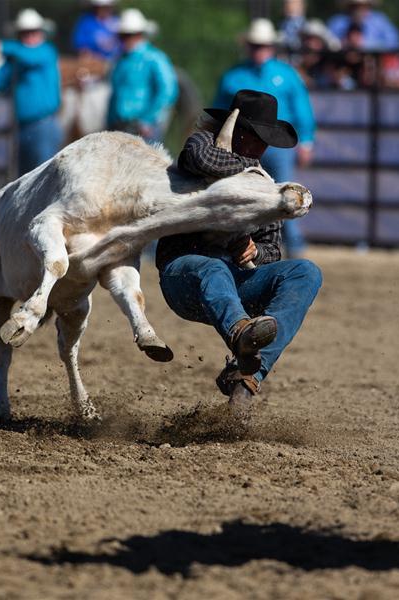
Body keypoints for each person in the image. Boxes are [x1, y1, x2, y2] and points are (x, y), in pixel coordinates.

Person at [156, 90, 322, 415]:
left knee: (306, 272)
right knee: (213, 266)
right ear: (235, 129)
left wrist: (253, 251)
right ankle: (241, 333)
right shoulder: (201, 144)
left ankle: (247, 375)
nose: (261, 147)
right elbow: (202, 159)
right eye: (256, 136)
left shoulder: (262, 183)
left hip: (234, 280)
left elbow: (272, 248)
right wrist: (252, 174)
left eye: (265, 140)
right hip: (184, 275)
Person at [213, 19, 315, 259]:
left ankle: (294, 247)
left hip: (278, 146)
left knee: (287, 196)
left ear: (271, 46)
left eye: (263, 45)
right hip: (242, 147)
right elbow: (220, 110)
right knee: (243, 197)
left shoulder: (286, 75)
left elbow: (302, 109)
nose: (259, 50)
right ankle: (244, 247)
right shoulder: (233, 76)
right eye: (255, 45)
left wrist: (307, 140)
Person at [0, 9, 62, 176]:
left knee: (43, 179)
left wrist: (2, 46)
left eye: (33, 32)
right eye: (25, 32)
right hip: (22, 128)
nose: (29, 36)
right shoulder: (16, 59)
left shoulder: (46, 51)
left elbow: (30, 57)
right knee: (23, 181)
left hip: (43, 126)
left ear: (41, 33)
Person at [106, 8, 177, 143]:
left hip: (144, 128)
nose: (125, 39)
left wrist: (148, 120)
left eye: (129, 35)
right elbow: (115, 94)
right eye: (123, 35)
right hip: (120, 125)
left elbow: (167, 91)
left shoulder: (155, 58)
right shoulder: (121, 61)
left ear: (139, 35)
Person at [327, 0, 399, 51]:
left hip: (373, 66)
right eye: (354, 6)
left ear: (368, 5)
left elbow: (394, 43)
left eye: (362, 6)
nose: (358, 10)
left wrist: (364, 44)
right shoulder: (338, 22)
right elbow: (326, 43)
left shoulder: (380, 21)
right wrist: (341, 44)